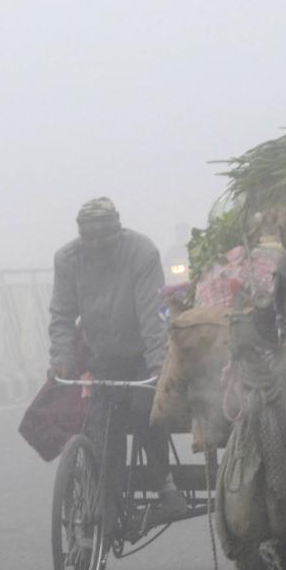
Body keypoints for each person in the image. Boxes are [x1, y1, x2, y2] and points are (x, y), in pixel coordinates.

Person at [49, 197, 186, 518]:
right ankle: (102, 497)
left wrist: (158, 363)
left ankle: (162, 480)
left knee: (145, 412)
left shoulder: (141, 252)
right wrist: (61, 358)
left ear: (117, 233)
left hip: (141, 354)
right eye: (89, 242)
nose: (96, 249)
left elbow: (153, 313)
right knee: (97, 426)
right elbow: (62, 314)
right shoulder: (68, 259)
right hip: (102, 356)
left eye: (103, 242)